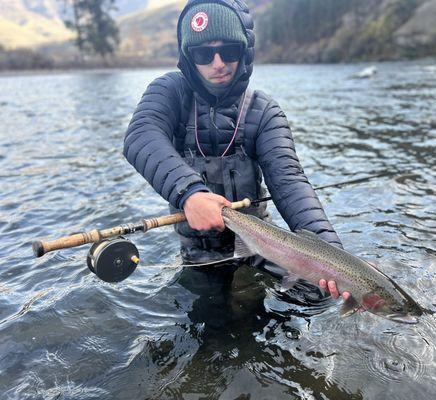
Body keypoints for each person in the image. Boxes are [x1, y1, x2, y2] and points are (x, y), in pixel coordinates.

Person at [123, 0, 349, 301]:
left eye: (229, 51)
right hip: (200, 256)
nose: (218, 63)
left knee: (316, 298)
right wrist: (190, 194)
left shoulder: (264, 111)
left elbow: (290, 183)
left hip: (261, 246)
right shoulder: (169, 92)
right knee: (216, 325)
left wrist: (337, 260)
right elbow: (140, 136)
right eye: (203, 53)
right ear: (188, 57)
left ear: (244, 51)